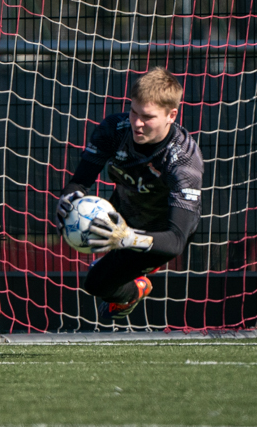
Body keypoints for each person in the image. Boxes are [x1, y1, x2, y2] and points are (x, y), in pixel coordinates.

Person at [55, 67, 203, 321]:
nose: (137, 122)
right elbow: (80, 181)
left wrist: (129, 238)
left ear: (171, 115)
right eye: (134, 111)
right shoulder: (115, 129)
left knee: (97, 285)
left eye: (147, 117)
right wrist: (69, 198)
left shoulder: (183, 162)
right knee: (96, 280)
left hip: (157, 234)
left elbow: (177, 240)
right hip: (122, 212)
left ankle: (137, 289)